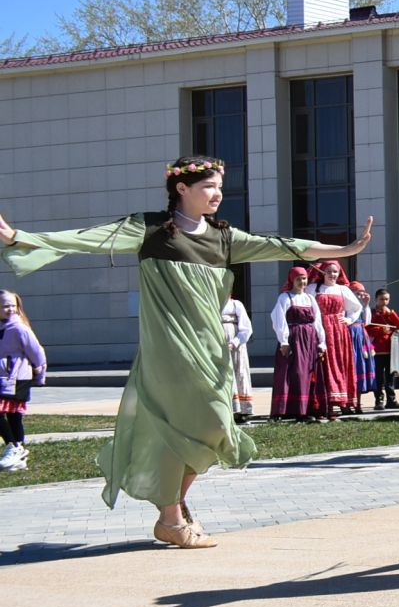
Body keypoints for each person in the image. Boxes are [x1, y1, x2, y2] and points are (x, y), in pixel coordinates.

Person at [0, 156, 371, 547]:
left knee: (214, 427)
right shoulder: (151, 230)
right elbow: (88, 238)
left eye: (220, 188)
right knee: (181, 425)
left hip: (210, 348)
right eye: (208, 187)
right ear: (182, 188)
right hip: (169, 348)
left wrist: (346, 248)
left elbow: (281, 246)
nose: (217, 195)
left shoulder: (224, 238)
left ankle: (171, 508)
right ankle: (172, 519)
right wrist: (19, 238)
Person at [270, 265, 328, 421]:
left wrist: (322, 342)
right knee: (293, 373)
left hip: (310, 340)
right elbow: (278, 320)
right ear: (292, 280)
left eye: (304, 278)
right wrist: (283, 341)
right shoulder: (285, 297)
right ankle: (288, 410)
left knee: (309, 373)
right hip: (293, 339)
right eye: (298, 279)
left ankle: (308, 410)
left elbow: (317, 321)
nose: (302, 281)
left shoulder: (310, 298)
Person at [0, 290, 47, 472]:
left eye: (13, 305)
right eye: (5, 306)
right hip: (3, 377)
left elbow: (37, 353)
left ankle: (13, 447)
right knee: (12, 417)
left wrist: (40, 375)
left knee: (13, 415)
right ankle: (18, 455)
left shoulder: (20, 329)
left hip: (17, 378)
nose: (10, 309)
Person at [311, 260, 362, 420]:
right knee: (323, 365)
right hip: (319, 328)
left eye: (335, 272)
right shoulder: (313, 289)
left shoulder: (342, 289)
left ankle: (341, 402)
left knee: (339, 364)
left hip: (338, 332)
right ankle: (325, 404)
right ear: (322, 272)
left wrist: (349, 320)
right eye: (329, 271)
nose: (332, 274)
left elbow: (357, 307)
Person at [365, 288, 399, 409]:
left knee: (390, 376)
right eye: (382, 299)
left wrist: (391, 314)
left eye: (386, 299)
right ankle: (379, 400)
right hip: (377, 349)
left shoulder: (389, 313)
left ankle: (391, 400)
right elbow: (367, 329)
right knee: (378, 376)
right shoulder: (371, 312)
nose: (384, 302)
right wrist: (381, 330)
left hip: (390, 348)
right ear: (376, 299)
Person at [220, 291, 255, 422]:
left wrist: (235, 342)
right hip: (219, 344)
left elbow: (246, 328)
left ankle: (243, 410)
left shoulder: (236, 305)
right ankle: (229, 408)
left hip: (236, 345)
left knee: (240, 373)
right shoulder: (212, 303)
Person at [348, 281, 379, 412]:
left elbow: (366, 322)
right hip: (350, 335)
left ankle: (358, 403)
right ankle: (350, 402)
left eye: (362, 293)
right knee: (352, 367)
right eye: (357, 294)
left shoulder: (361, 306)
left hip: (361, 337)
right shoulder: (347, 306)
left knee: (361, 367)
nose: (360, 296)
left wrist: (366, 304)